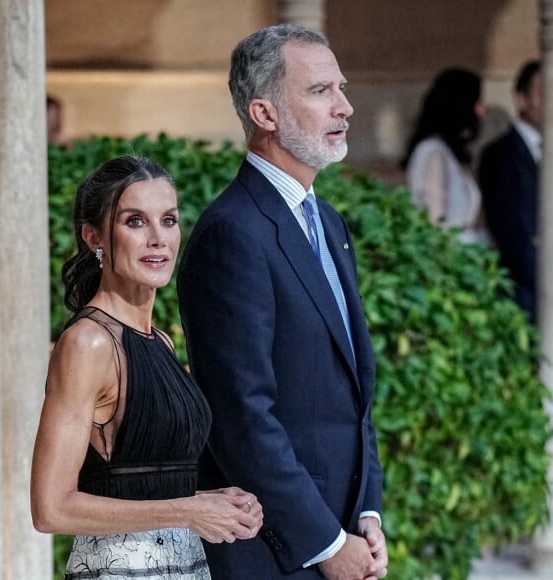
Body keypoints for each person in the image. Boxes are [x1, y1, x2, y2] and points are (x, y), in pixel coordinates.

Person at [177, 25, 387, 580]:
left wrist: (368, 511)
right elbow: (241, 416)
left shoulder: (330, 223)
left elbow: (352, 392)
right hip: (273, 552)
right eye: (320, 91)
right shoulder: (232, 232)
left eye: (340, 88)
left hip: (346, 531)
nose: (344, 106)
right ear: (265, 114)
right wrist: (325, 543)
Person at [30, 155, 263, 580]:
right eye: (135, 221)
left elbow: (136, 482)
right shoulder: (89, 342)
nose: (158, 238)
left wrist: (215, 503)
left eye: (169, 220)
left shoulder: (160, 341)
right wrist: (188, 510)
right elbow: (51, 507)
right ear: (93, 237)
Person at [478, 60, 542, 323]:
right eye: (543, 92)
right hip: (523, 298)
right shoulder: (500, 155)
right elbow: (513, 236)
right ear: (521, 98)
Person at [402, 67, 489, 244]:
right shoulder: (432, 151)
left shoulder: (450, 153)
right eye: (477, 102)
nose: (482, 110)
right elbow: (433, 224)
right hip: (450, 260)